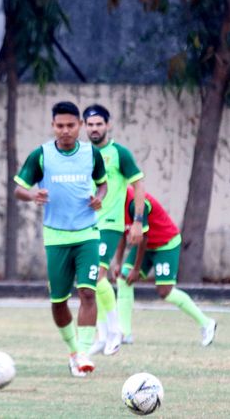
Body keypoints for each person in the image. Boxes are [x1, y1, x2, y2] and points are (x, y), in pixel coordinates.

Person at [14, 101, 107, 378]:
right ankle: (72, 349)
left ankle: (84, 354)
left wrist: (99, 199)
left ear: (79, 125)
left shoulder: (92, 154)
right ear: (53, 126)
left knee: (88, 292)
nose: (65, 131)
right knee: (58, 301)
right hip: (55, 236)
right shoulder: (41, 155)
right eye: (60, 126)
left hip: (88, 233)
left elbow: (103, 183)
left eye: (70, 125)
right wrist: (33, 195)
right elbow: (19, 189)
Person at [112, 186, 217, 346]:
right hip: (145, 245)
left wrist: (136, 269)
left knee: (164, 291)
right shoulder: (114, 200)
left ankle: (206, 322)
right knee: (123, 278)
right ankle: (125, 334)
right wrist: (118, 262)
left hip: (165, 243)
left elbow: (144, 237)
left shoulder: (136, 202)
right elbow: (121, 231)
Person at [82, 104, 145, 356]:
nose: (94, 128)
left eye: (99, 124)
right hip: (84, 225)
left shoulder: (120, 153)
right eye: (90, 124)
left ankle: (116, 330)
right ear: (84, 127)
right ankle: (102, 333)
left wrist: (138, 220)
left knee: (97, 276)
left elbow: (139, 185)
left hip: (109, 224)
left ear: (108, 125)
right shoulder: (81, 153)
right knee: (88, 281)